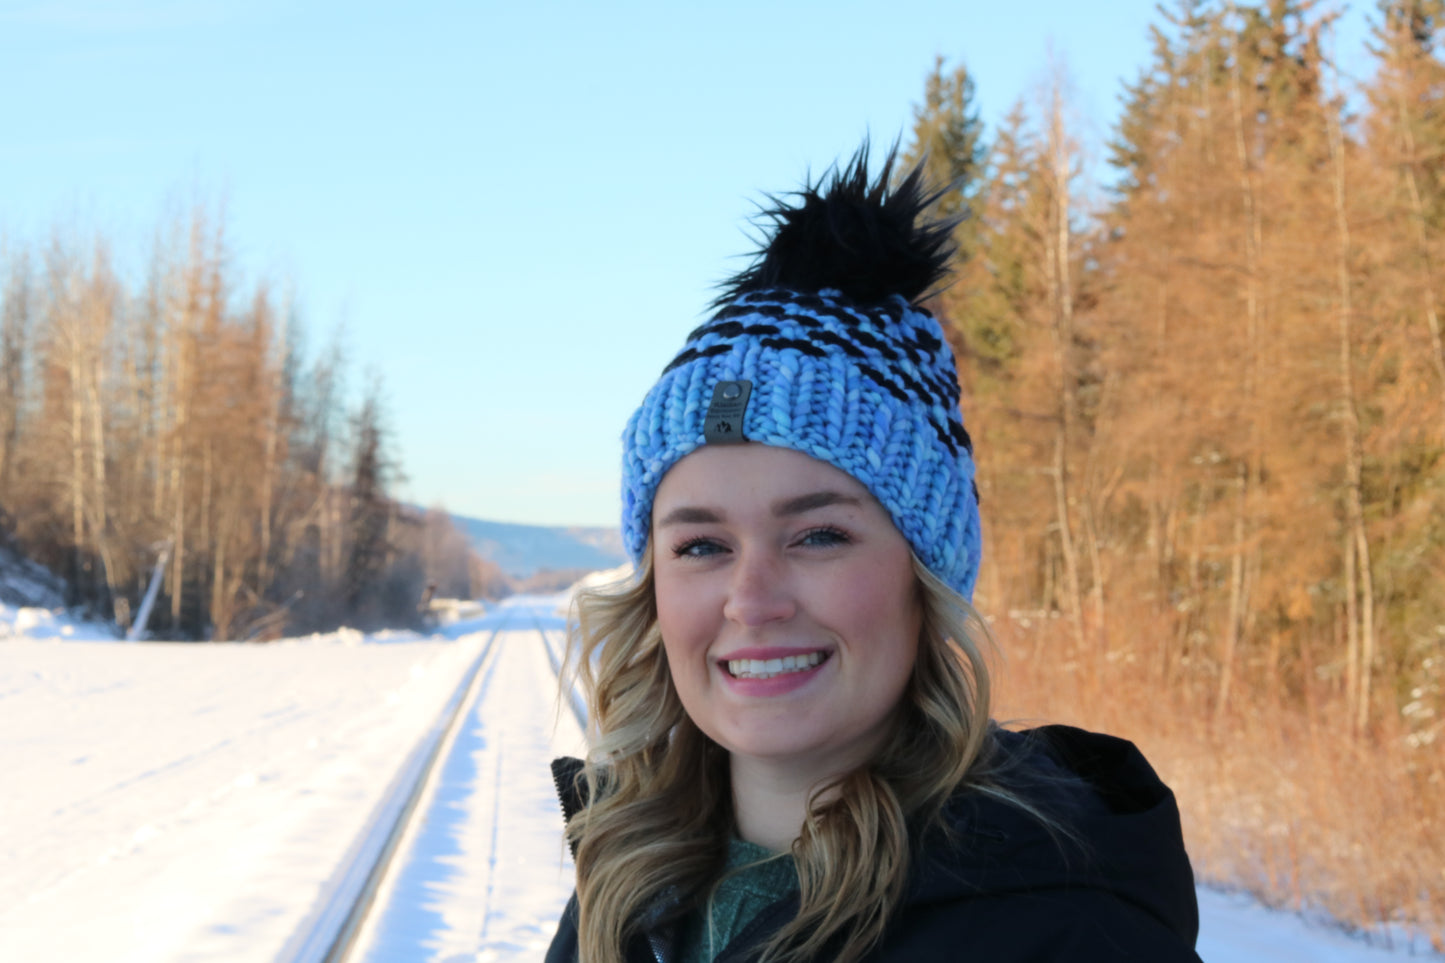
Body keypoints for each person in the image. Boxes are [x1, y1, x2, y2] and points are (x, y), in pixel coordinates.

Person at [546, 148, 1203, 963]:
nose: (751, 600)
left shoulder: (1062, 931)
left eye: (818, 535)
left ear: (923, 575)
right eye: (702, 544)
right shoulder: (624, 885)